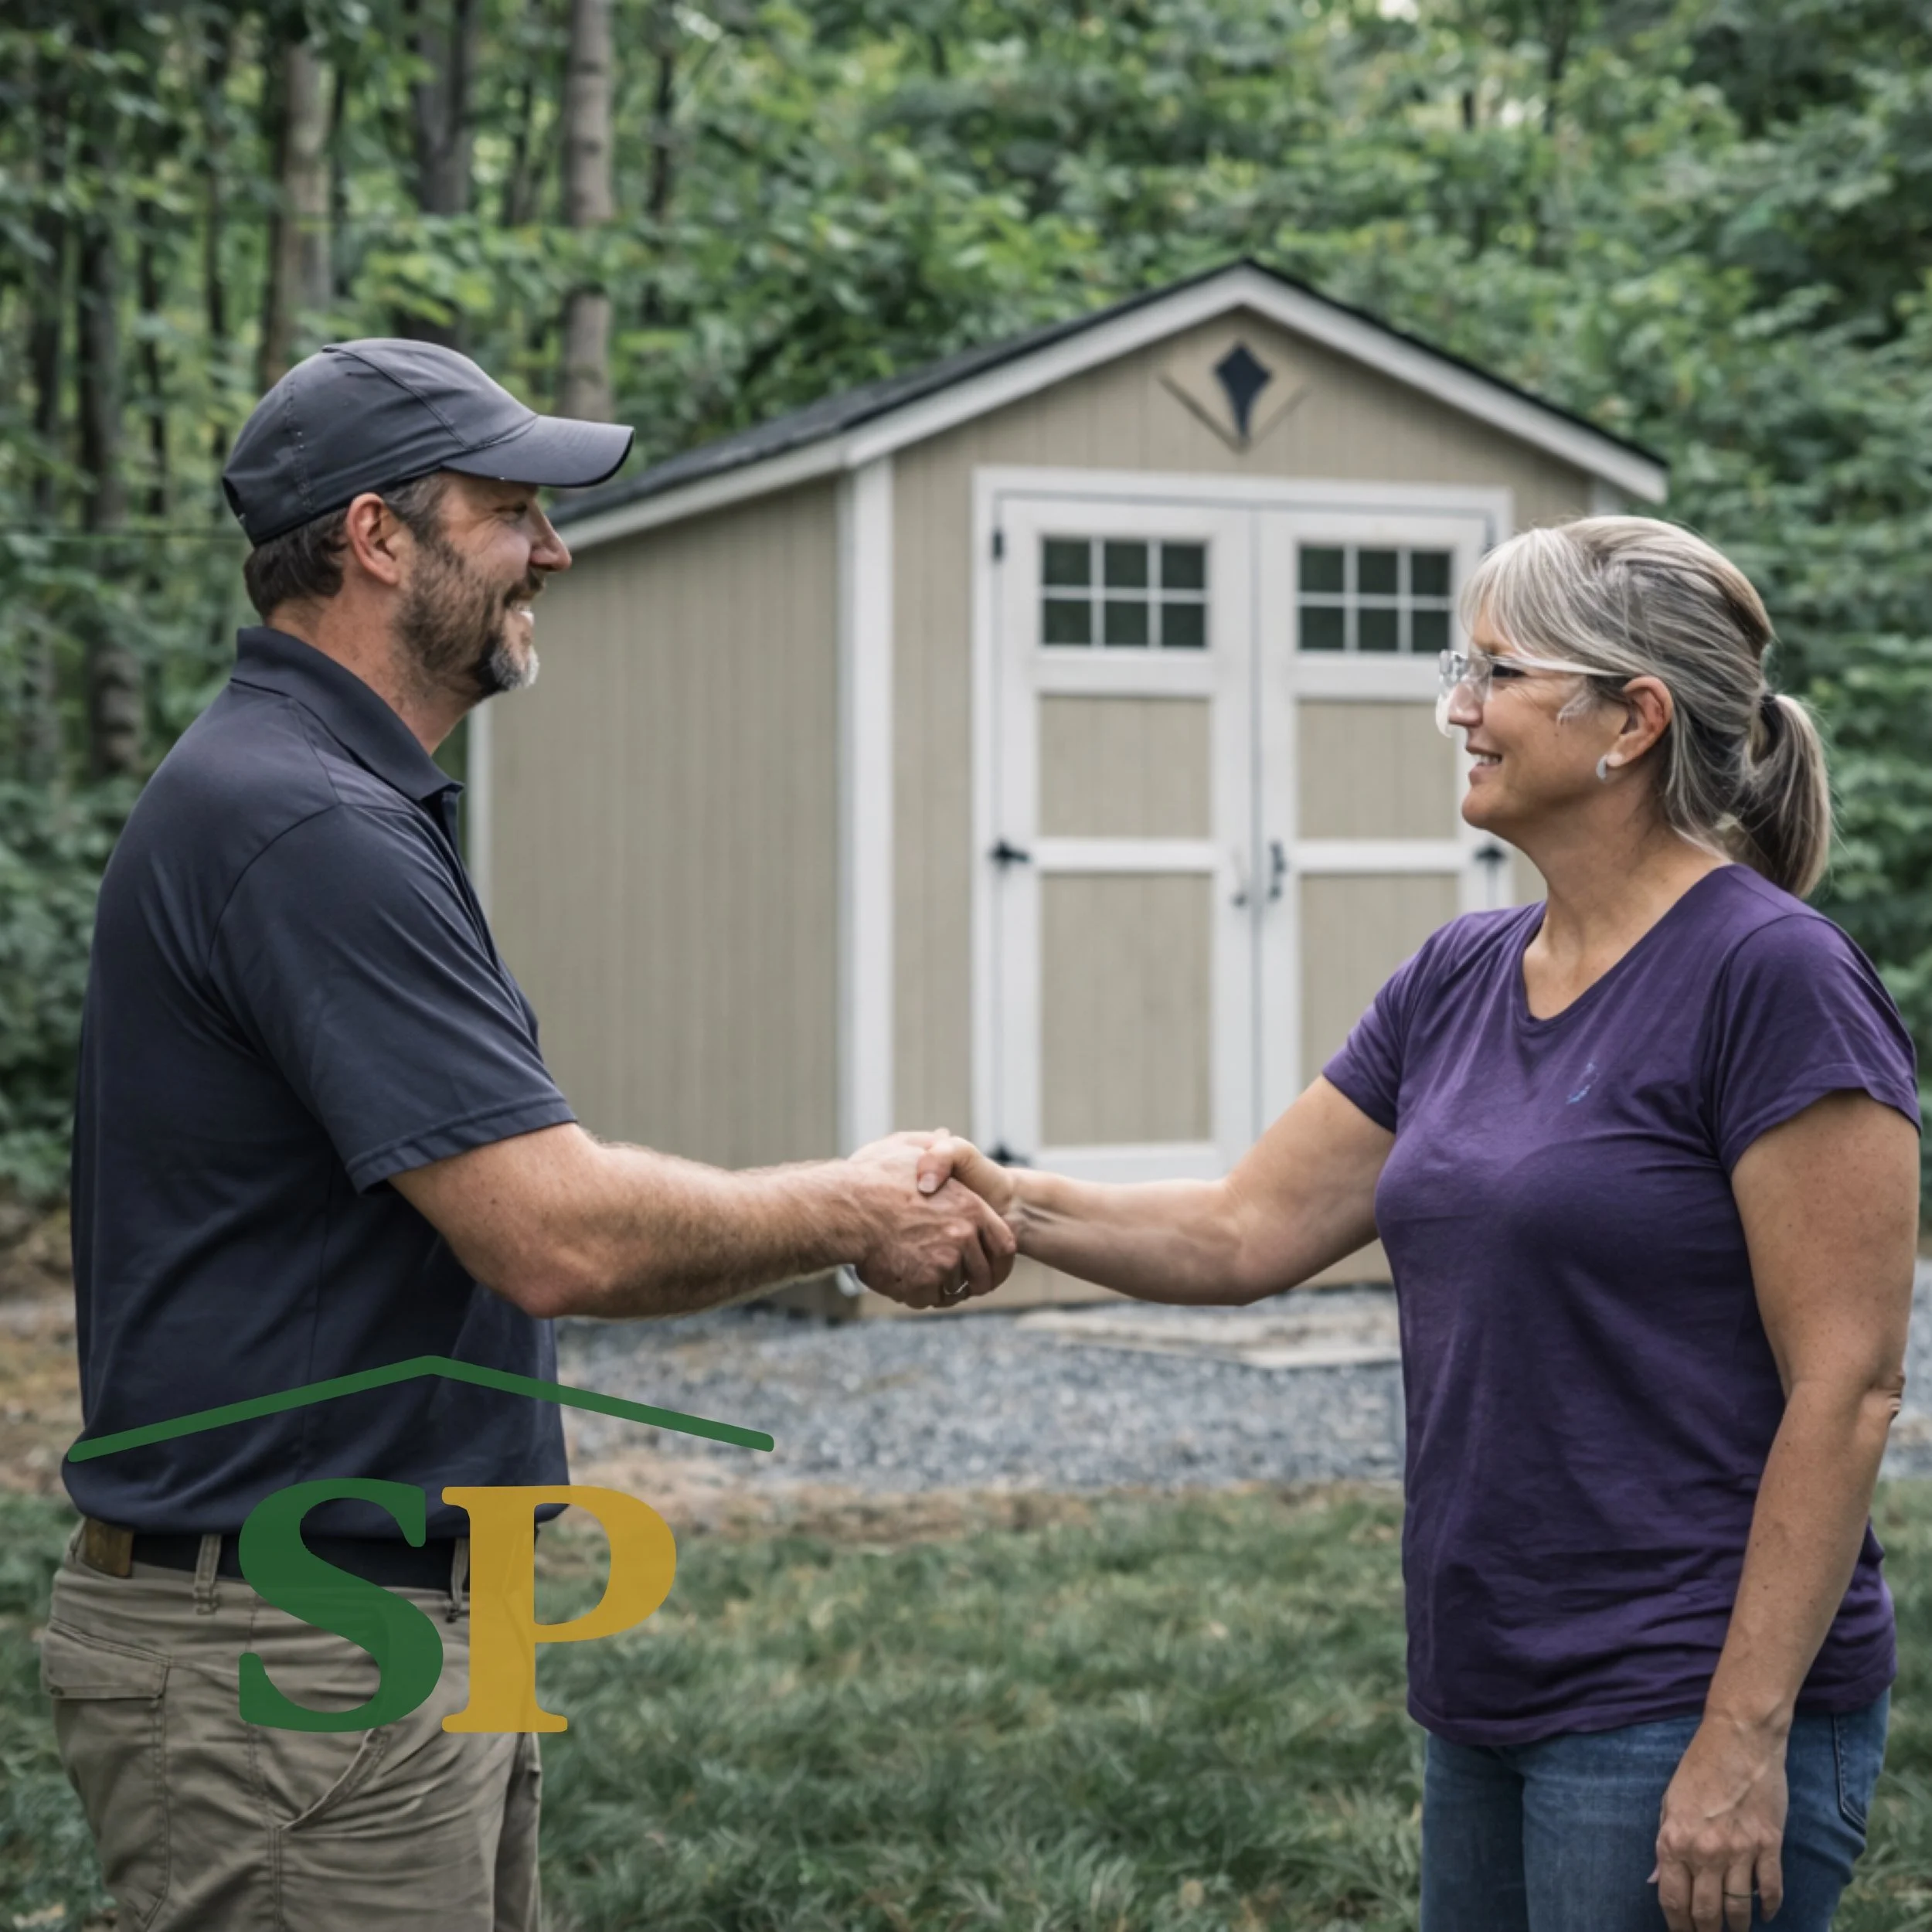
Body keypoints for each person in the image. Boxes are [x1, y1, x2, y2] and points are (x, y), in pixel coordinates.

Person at [47, 339, 1015, 1932]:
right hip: (299, 1648)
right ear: (376, 538)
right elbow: (553, 1231)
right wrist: (850, 1207)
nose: (553, 550)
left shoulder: (319, 797)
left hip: (387, 1616)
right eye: (511, 512)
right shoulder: (305, 824)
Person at [918, 517, 1919, 1932]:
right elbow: (1239, 1230)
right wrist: (996, 1199)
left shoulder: (1775, 979)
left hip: (1678, 1695)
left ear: (1631, 720)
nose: (1459, 705)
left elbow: (1851, 1387)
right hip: (1486, 1686)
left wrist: (1744, 1735)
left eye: (1497, 670)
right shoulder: (1461, 974)